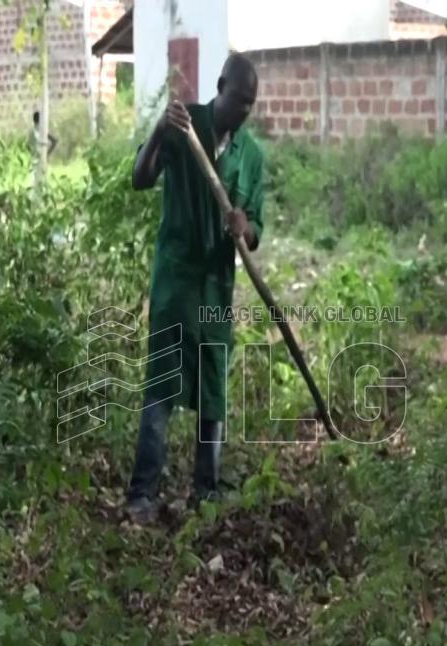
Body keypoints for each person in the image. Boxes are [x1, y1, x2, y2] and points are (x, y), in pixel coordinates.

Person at [125, 53, 265, 524]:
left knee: (213, 393)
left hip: (216, 291)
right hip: (177, 284)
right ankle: (142, 495)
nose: (244, 110)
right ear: (220, 85)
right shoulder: (185, 126)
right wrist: (159, 134)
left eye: (251, 103)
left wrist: (243, 227)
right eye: (238, 99)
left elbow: (256, 231)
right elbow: (140, 179)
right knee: (162, 388)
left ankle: (205, 492)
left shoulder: (251, 156)